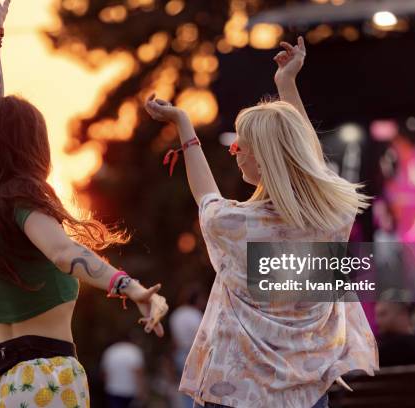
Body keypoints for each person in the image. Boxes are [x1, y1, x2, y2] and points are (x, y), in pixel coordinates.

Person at [0, 1, 168, 407]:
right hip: (44, 378)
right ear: (35, 147)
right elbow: (63, 252)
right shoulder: (24, 198)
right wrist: (132, 288)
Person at [145, 37, 378, 408]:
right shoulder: (334, 214)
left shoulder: (236, 224)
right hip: (308, 393)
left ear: (264, 156)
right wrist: (287, 85)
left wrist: (183, 125)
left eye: (240, 147)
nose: (235, 154)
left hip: (238, 393)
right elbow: (311, 163)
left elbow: (206, 195)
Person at [170, 286, 205, 408]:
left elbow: (174, 340)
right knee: (198, 391)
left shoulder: (176, 314)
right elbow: (202, 337)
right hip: (193, 354)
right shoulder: (195, 314)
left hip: (180, 354)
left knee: (185, 390)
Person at [375, 302, 415, 367]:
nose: (377, 321)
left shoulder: (389, 348)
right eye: (377, 315)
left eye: (383, 314)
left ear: (403, 314)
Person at [101, 340, 146, 408]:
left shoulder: (110, 351)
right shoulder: (134, 351)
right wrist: (141, 390)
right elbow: (138, 373)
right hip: (130, 390)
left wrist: (107, 385)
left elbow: (105, 373)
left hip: (113, 389)